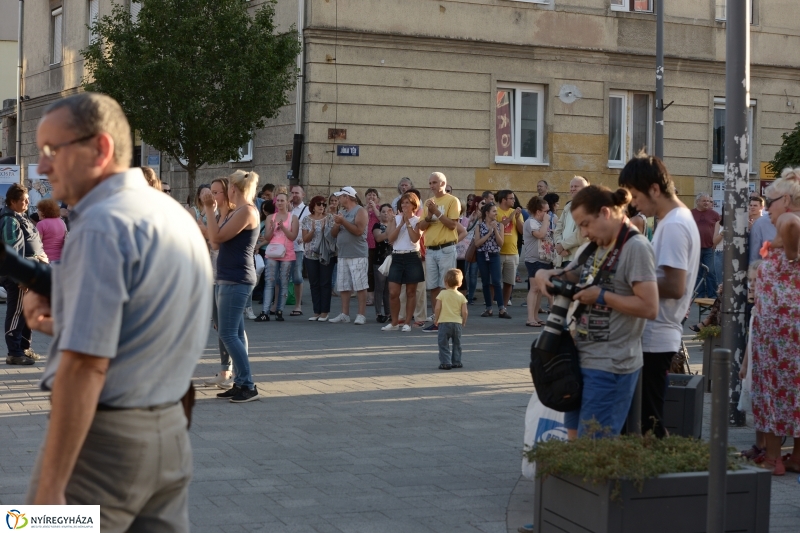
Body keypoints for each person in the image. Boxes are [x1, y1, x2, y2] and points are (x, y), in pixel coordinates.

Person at [23, 93, 211, 529]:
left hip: (101, 451)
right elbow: (144, 326)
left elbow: (85, 366)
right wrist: (68, 323)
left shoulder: (103, 224)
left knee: (26, 526)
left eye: (53, 150)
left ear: (101, 148)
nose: (43, 167)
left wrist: (51, 488)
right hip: (169, 437)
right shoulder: (172, 214)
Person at [534, 186, 658, 438]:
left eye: (586, 224)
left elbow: (649, 306)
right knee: (576, 443)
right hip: (579, 361)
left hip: (610, 365)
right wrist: (544, 274)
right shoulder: (596, 246)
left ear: (605, 213)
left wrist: (601, 296)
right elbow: (570, 274)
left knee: (592, 447)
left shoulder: (635, 247)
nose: (584, 232)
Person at [619, 154, 700, 437]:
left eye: (636, 196)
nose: (634, 204)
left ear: (655, 189)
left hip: (657, 334)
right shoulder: (674, 219)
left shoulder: (675, 224)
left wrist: (629, 283)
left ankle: (656, 477)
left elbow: (675, 285)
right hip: (657, 331)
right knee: (648, 418)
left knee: (648, 422)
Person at [750, 167, 800, 475]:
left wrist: (787, 247)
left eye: (771, 201)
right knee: (793, 388)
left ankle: (773, 457)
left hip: (778, 331)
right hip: (787, 327)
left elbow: (792, 222)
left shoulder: (789, 220)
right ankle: (795, 455)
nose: (767, 209)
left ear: (788, 199)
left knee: (771, 388)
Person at [203, 170, 261, 403]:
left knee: (227, 333)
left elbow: (215, 240)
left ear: (233, 189)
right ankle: (240, 383)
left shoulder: (246, 211)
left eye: (226, 188)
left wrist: (208, 208)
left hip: (236, 278)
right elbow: (216, 242)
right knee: (234, 332)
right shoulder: (237, 211)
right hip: (229, 277)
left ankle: (247, 384)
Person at [1, 183, 48, 365]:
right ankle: (14, 352)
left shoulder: (20, 217)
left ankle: (24, 348)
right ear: (13, 201)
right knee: (17, 313)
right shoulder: (9, 221)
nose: (28, 203)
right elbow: (13, 251)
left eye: (28, 199)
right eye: (24, 200)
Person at [418, 172, 461, 332]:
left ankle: (448, 319)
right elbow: (421, 227)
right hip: (431, 250)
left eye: (434, 182)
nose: (431, 186)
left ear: (443, 183)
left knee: (447, 285)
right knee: (433, 286)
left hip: (446, 248)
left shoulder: (452, 200)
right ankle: (437, 320)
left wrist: (437, 212)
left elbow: (452, 225)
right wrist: (429, 216)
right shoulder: (429, 202)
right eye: (430, 183)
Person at [203, 178, 234, 389]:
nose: (213, 197)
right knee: (218, 326)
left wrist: (204, 225)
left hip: (229, 276)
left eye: (216, 192)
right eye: (210, 192)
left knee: (230, 328)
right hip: (213, 274)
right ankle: (224, 370)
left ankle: (237, 373)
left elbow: (216, 241)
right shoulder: (216, 215)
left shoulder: (232, 216)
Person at [382, 192, 424, 332]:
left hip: (412, 256)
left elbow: (414, 239)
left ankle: (407, 322)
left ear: (414, 205)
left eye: (407, 203)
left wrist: (408, 223)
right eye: (403, 203)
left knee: (411, 292)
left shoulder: (418, 220)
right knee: (393, 292)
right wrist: (400, 224)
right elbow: (390, 239)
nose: (404, 205)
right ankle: (394, 322)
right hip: (397, 257)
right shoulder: (395, 219)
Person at [330, 186, 369, 325]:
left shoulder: (360, 211)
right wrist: (336, 224)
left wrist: (343, 222)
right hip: (343, 254)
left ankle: (361, 315)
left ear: (347, 197)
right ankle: (344, 314)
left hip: (357, 254)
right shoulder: (343, 212)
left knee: (360, 285)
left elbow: (359, 230)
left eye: (340, 197)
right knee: (344, 286)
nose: (339, 199)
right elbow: (333, 235)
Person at [302, 195, 335, 321]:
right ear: (313, 206)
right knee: (314, 283)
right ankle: (316, 311)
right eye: (319, 204)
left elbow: (333, 236)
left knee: (325, 283)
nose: (322, 207)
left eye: (323, 205)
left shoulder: (329, 218)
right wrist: (313, 231)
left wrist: (324, 230)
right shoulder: (306, 219)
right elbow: (305, 239)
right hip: (310, 254)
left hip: (326, 254)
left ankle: (325, 312)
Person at [523, 197, 554, 328]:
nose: (547, 214)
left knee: (540, 289)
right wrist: (547, 222)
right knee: (534, 288)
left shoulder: (541, 222)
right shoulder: (531, 222)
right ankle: (530, 318)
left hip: (544, 259)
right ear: (538, 211)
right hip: (534, 260)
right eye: (545, 211)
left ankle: (535, 316)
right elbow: (540, 235)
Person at [474, 202, 507, 317]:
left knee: (497, 281)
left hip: (494, 255)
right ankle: (489, 308)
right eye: (494, 211)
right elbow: (477, 243)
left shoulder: (500, 225)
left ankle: (501, 309)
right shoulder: (479, 226)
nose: (496, 214)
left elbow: (501, 243)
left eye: (496, 211)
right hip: (482, 255)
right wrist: (489, 233)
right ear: (487, 213)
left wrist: (496, 230)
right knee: (485, 282)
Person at [495, 190, 522, 313]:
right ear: (504, 200)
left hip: (512, 252)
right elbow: (501, 224)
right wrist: (512, 216)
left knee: (509, 282)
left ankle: (504, 307)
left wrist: (518, 219)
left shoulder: (515, 212)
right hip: (498, 252)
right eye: (511, 198)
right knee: (494, 281)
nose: (514, 200)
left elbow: (521, 231)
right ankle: (490, 306)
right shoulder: (495, 211)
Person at [434, 269, 468, 370]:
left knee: (443, 343)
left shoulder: (442, 294)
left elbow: (437, 308)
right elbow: (465, 311)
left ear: (445, 282)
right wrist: (464, 321)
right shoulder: (461, 296)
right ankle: (456, 362)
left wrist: (436, 318)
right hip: (457, 323)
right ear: (460, 283)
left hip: (444, 322)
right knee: (457, 343)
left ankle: (445, 362)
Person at [554, 176, 589, 267]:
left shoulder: (588, 207)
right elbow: (558, 228)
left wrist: (563, 246)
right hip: (563, 256)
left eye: (576, 186)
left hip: (577, 257)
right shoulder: (568, 206)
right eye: (571, 186)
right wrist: (559, 245)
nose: (572, 189)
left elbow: (582, 233)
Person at [691, 193, 720, 298]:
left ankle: (713, 295)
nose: (707, 203)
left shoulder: (715, 215)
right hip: (695, 248)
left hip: (709, 247)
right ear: (697, 202)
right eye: (704, 201)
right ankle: (699, 294)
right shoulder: (690, 213)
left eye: (708, 201)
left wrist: (716, 242)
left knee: (710, 271)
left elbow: (720, 229)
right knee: (698, 273)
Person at [286, 185, 308, 316]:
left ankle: (298, 304)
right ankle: (278, 304)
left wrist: (304, 239)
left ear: (303, 195)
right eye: (292, 192)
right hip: (284, 247)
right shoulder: (287, 208)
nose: (294, 195)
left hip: (298, 248)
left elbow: (310, 227)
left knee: (297, 277)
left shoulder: (307, 210)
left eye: (297, 193)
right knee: (281, 277)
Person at [457, 196, 481, 304]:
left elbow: (465, 230)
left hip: (462, 251)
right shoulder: (466, 219)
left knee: (463, 274)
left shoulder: (464, 220)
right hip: (456, 251)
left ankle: (464, 298)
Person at [372, 203, 393, 323]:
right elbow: (378, 238)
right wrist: (391, 233)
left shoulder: (395, 224)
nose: (386, 213)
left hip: (392, 259)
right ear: (379, 213)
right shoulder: (377, 225)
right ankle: (378, 313)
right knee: (379, 287)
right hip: (380, 260)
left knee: (388, 289)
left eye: (388, 211)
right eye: (383, 211)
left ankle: (388, 312)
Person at [36, 198, 68, 263]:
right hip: (61, 260)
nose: (37, 212)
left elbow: (37, 245)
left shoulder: (41, 224)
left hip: (46, 260)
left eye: (39, 210)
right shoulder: (62, 222)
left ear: (44, 211)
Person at [365, 188, 382, 306]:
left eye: (374, 195)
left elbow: (381, 218)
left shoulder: (381, 208)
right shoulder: (362, 209)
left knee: (379, 271)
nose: (371, 197)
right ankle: (370, 296)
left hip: (378, 243)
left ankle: (379, 296)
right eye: (369, 195)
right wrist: (367, 208)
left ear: (378, 198)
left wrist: (374, 208)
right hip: (365, 244)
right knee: (369, 271)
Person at [749, 196, 776, 263]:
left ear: (761, 207)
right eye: (751, 205)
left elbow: (756, 250)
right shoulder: (745, 220)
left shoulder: (767, 221)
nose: (752, 207)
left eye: (755, 205)